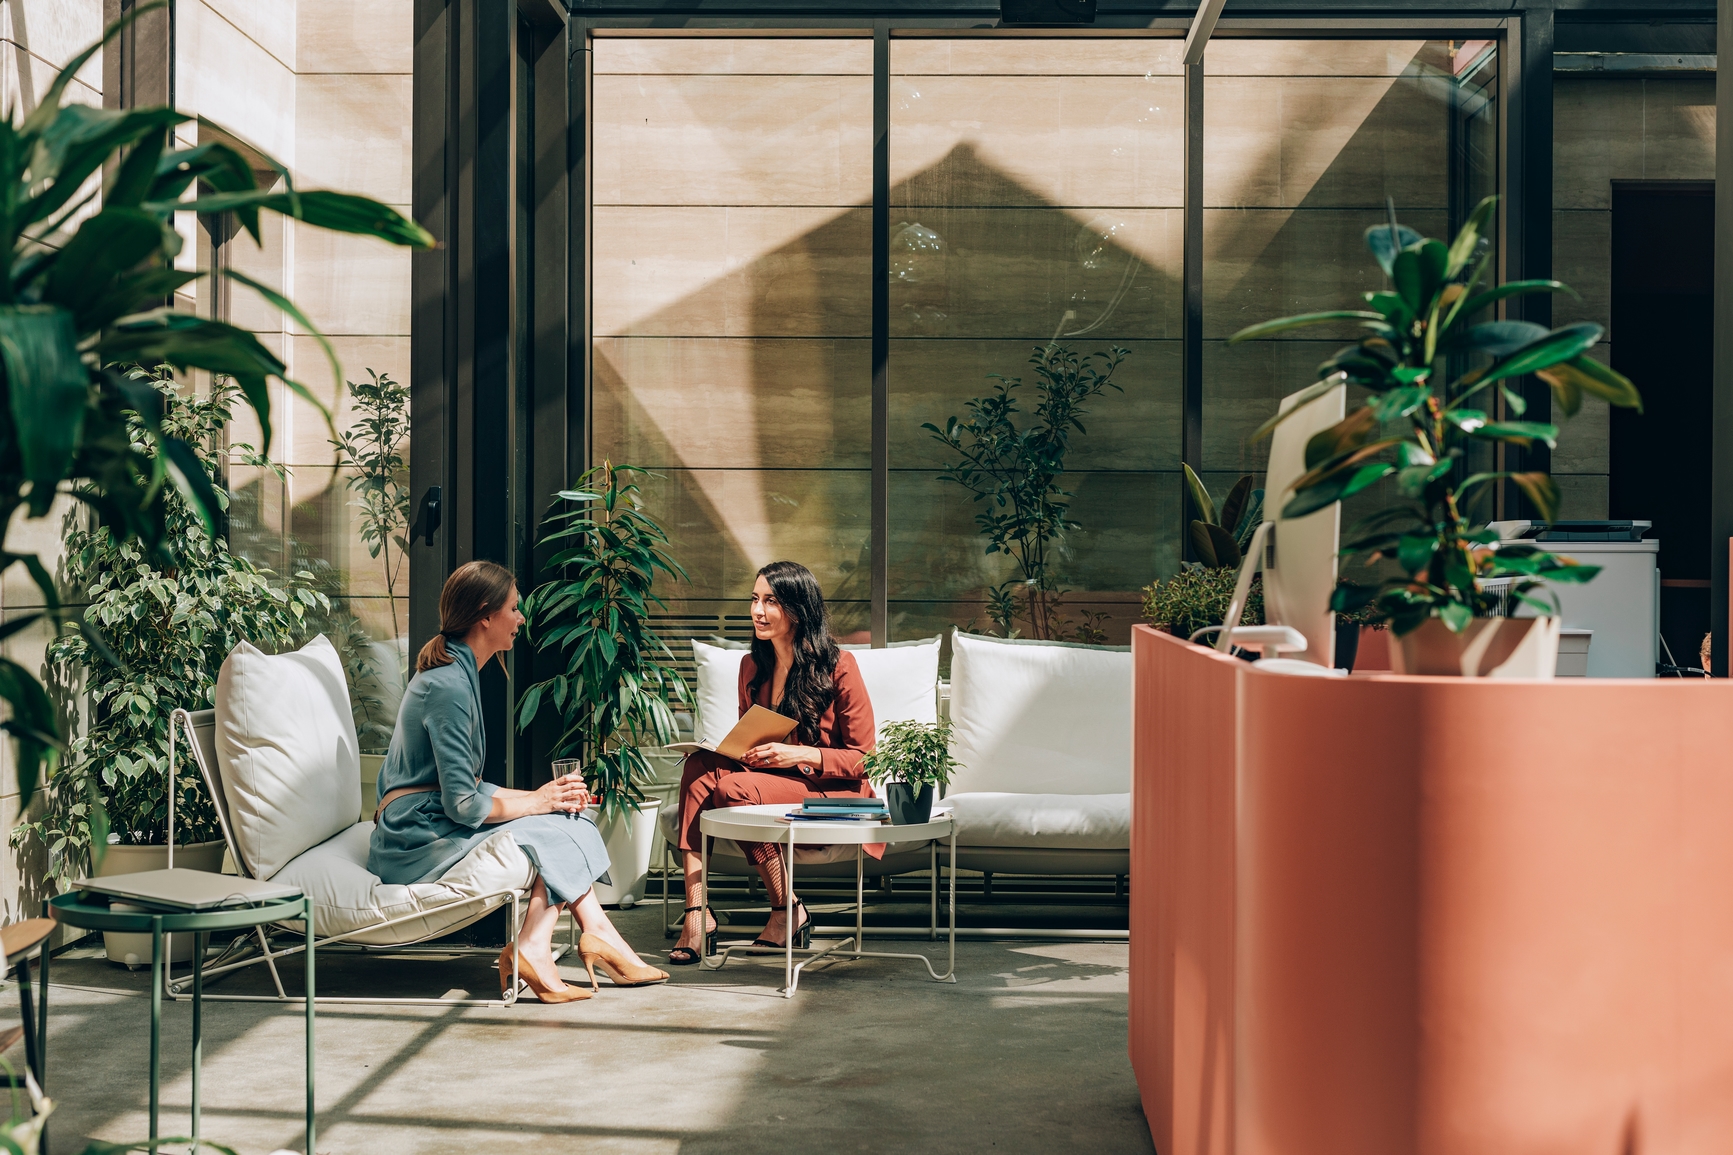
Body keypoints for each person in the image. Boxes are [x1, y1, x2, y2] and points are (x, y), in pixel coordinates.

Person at [368, 560, 668, 1002]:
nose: (522, 619)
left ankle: (591, 933)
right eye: (514, 608)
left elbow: (467, 787)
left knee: (571, 818)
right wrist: (539, 801)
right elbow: (464, 806)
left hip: (426, 821)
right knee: (559, 826)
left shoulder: (459, 673)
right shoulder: (448, 685)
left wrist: (547, 797)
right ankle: (543, 945)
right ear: (485, 615)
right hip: (413, 839)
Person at [669, 560, 877, 965]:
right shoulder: (752, 666)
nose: (757, 611)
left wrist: (799, 753)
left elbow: (864, 759)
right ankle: (697, 912)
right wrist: (739, 751)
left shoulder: (839, 665)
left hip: (834, 794)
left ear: (798, 610)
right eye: (754, 599)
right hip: (772, 783)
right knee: (698, 768)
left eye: (770, 601)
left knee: (733, 789)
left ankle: (785, 910)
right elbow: (756, 740)